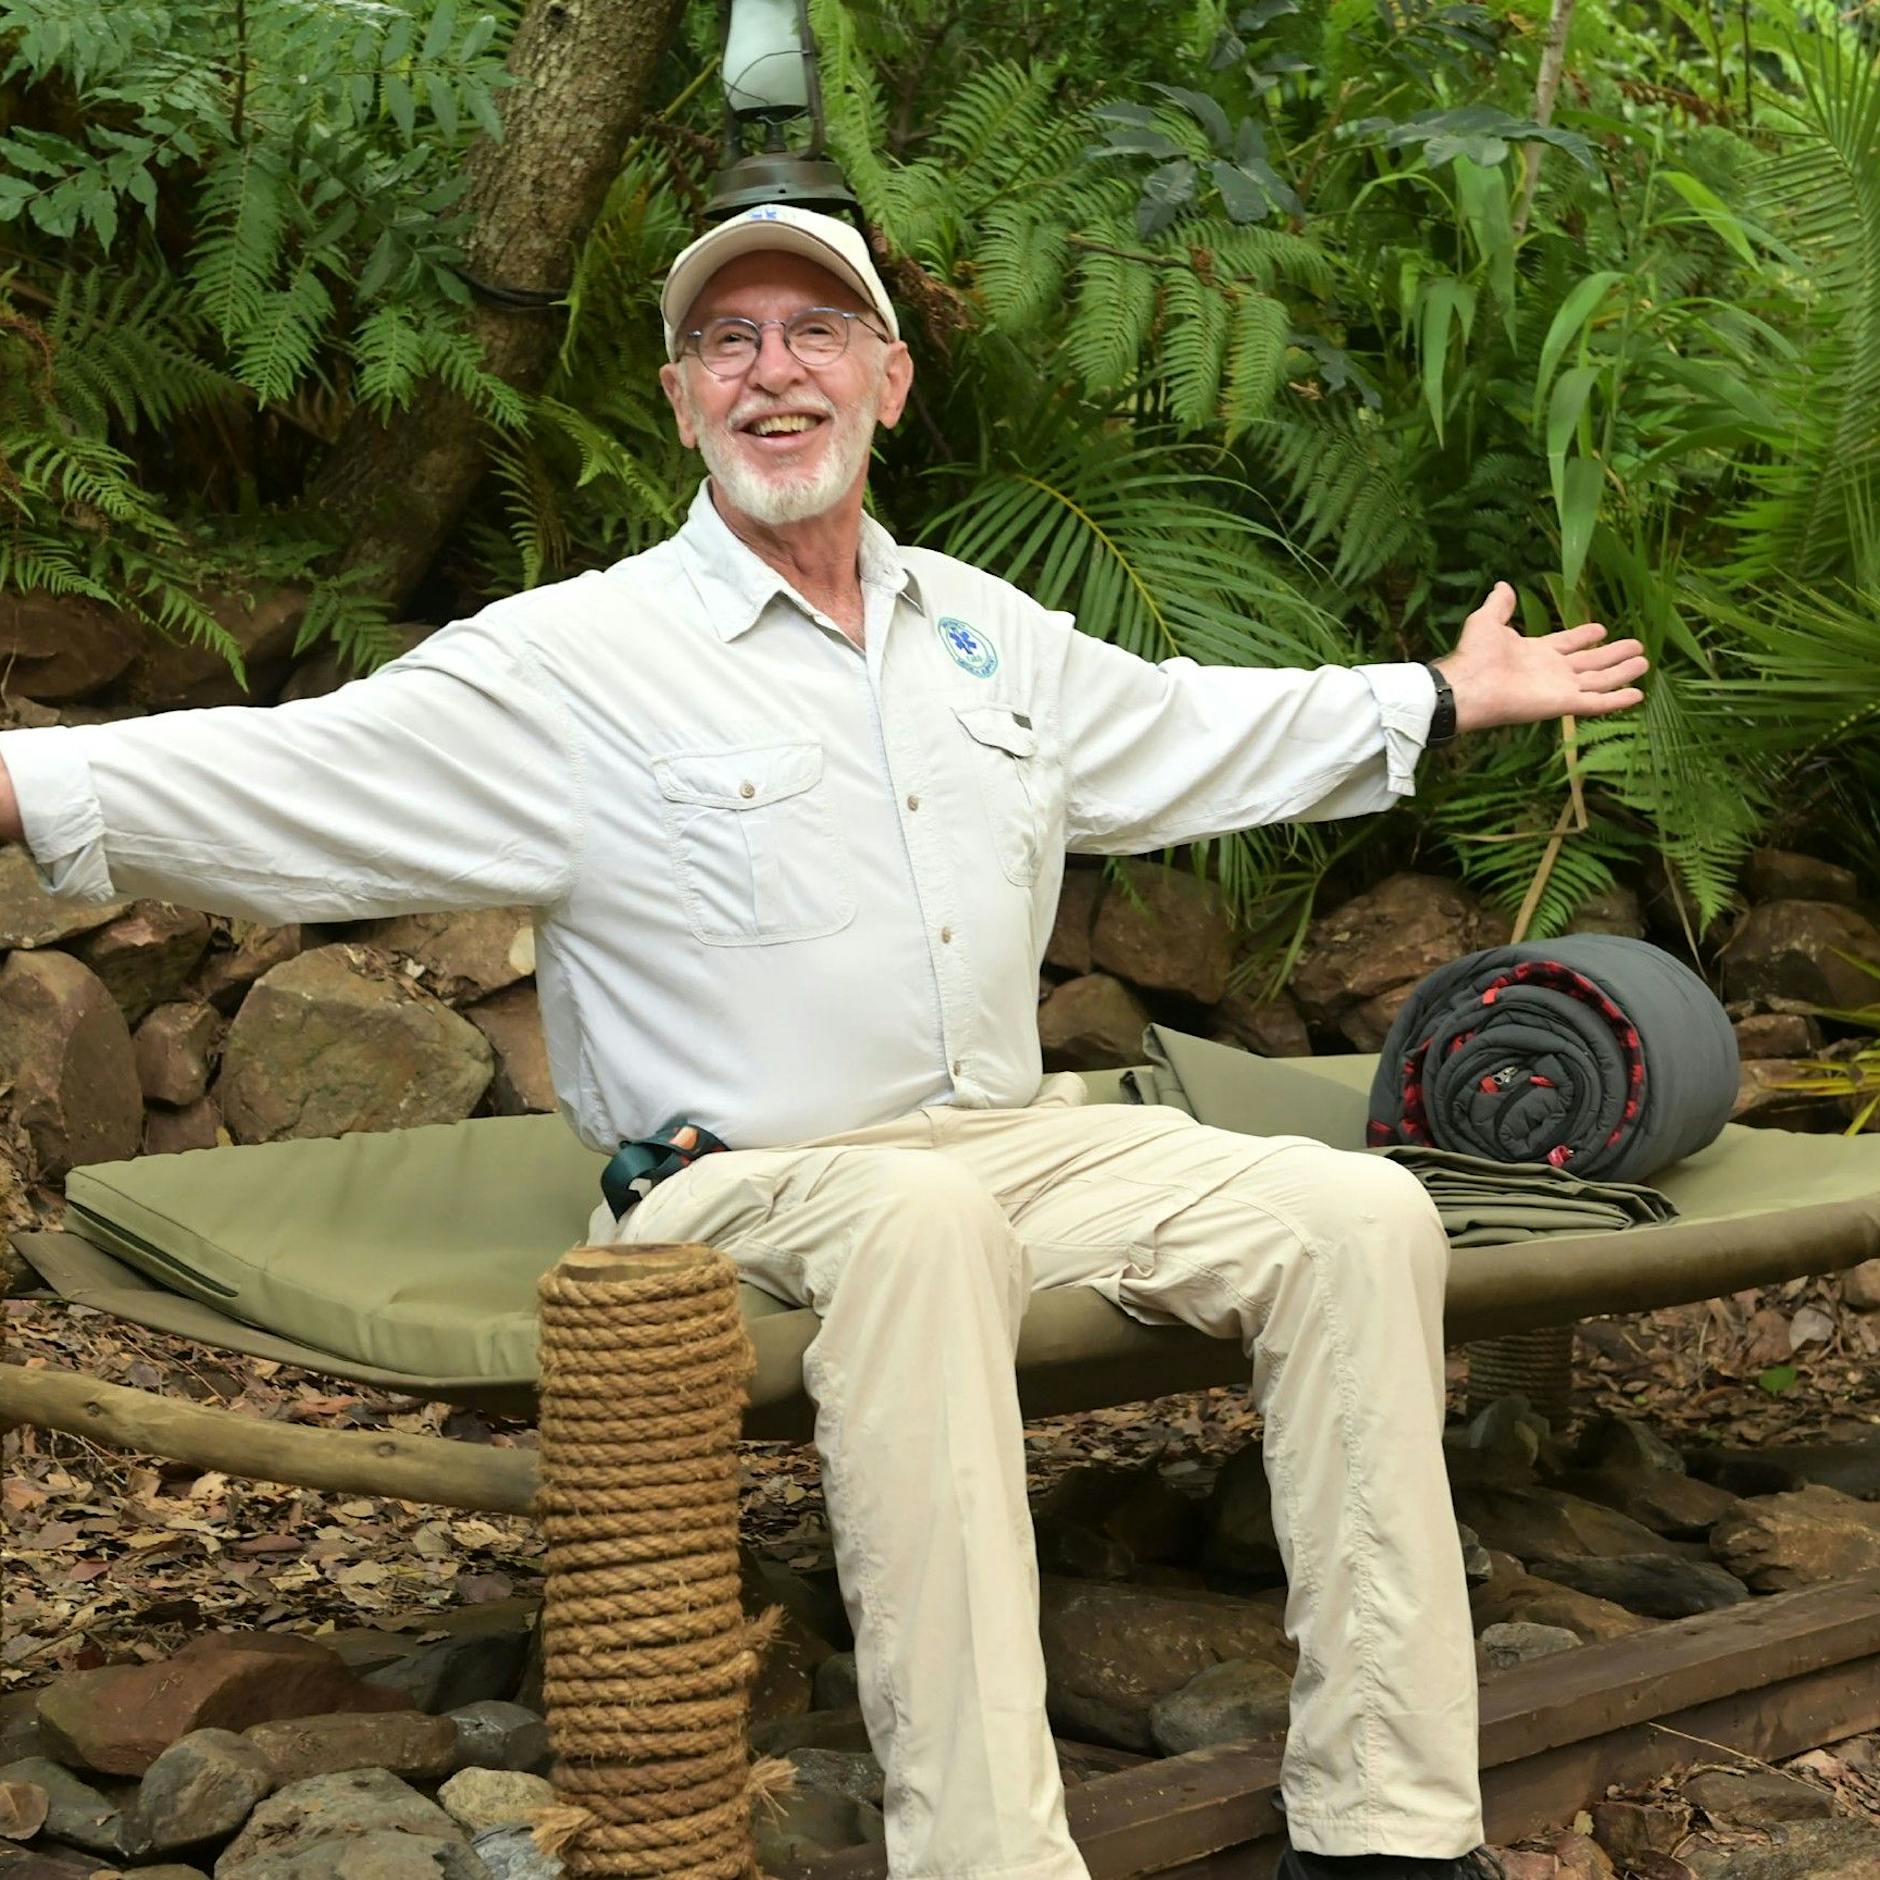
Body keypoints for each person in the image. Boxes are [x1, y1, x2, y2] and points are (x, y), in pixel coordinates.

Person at [0, 205, 1647, 1880]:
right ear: (679, 396)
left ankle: (1391, 1831)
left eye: (813, 333)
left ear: (889, 378)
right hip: (739, 1178)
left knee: (1356, 1214)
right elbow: (294, 773)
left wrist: (1437, 697)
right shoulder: (576, 661)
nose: (773, 373)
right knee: (923, 1229)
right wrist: (27, 780)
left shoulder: (985, 634)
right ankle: (988, 1857)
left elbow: (1185, 729)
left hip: (1014, 1143)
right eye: (730, 341)